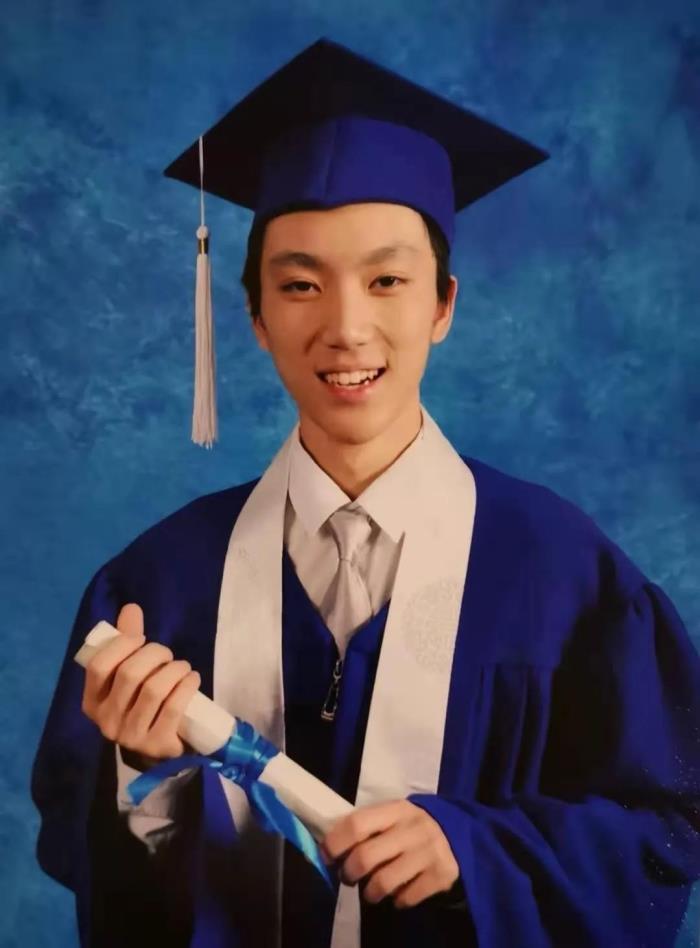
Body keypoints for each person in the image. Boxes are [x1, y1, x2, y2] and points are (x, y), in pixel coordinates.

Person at [31, 37, 700, 948]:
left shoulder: (565, 574)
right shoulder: (159, 580)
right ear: (256, 317)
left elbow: (664, 829)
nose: (346, 328)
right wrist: (142, 778)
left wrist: (476, 852)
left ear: (443, 305)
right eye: (301, 285)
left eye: (387, 280)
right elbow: (74, 848)